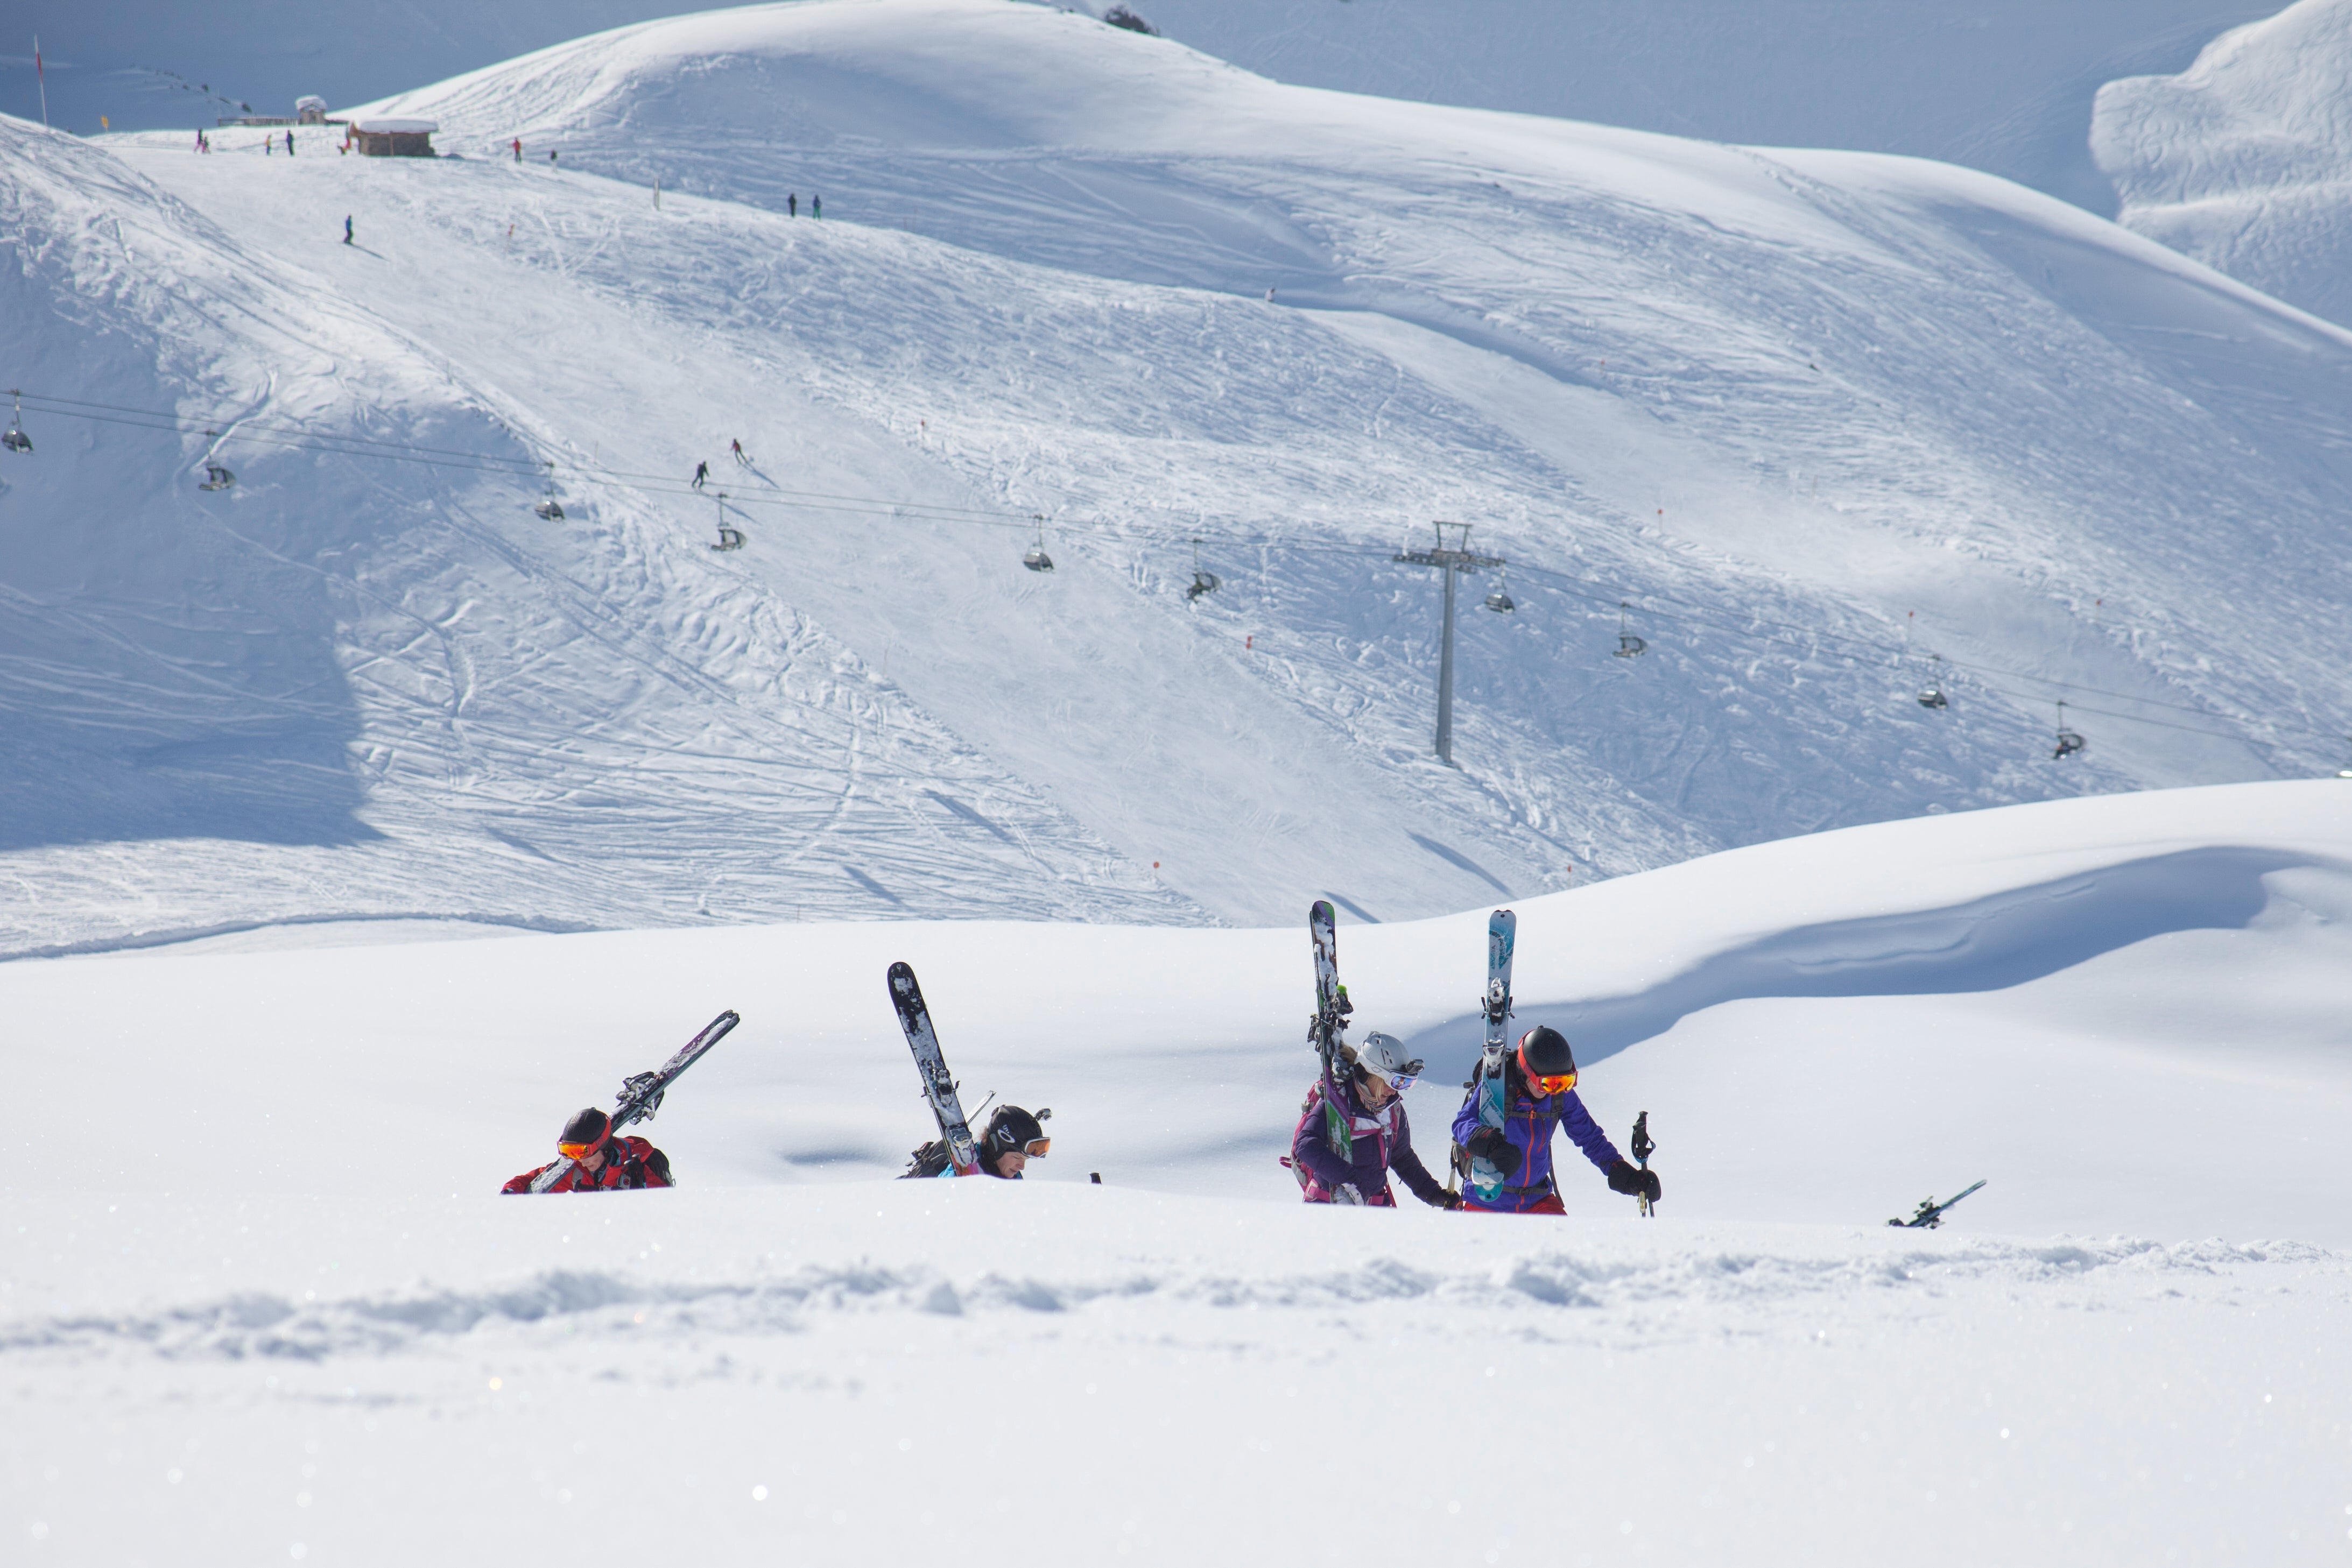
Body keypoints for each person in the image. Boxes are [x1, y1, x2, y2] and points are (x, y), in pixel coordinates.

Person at [1451, 1026, 1659, 1213]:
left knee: (1566, 1250)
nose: (1557, 1090)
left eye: (1566, 1082)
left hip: (1536, 1200)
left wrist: (1624, 1174)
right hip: (1486, 1199)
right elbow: (1462, 1124)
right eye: (1549, 1084)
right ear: (1527, 1074)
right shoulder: (1497, 1087)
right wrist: (1492, 1145)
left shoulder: (1559, 1095)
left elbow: (1590, 1138)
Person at [1288, 1032, 1459, 1207]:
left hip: (1375, 1208)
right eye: (1394, 1082)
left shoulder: (1392, 1110)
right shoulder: (1338, 1101)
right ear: (1372, 1074)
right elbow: (1306, 1144)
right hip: (1328, 1206)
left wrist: (1432, 1193)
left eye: (1405, 1083)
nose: (1395, 1091)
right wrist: (1350, 1180)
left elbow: (1402, 1158)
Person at [502, 1107, 674, 1193]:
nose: (580, 1160)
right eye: (570, 1151)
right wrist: (511, 1191)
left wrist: (639, 1197)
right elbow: (533, 1180)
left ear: (602, 1146)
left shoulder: (639, 1167)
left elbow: (666, 1210)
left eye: (582, 1151)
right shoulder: (577, 1170)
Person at [902, 1104, 1050, 1179]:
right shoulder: (961, 1174)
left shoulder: (1010, 1176)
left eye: (1025, 1160)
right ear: (998, 1148)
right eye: (1017, 1158)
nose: (1022, 1167)